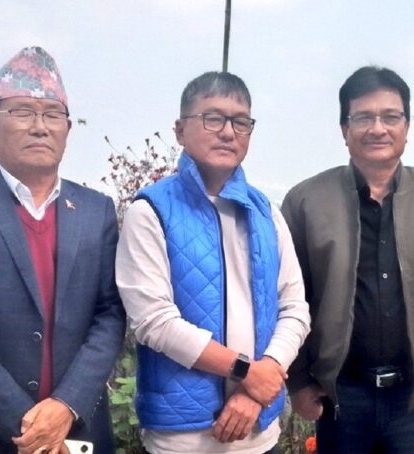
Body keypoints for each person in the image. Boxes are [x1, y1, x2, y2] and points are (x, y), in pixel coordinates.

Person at [281, 66, 414, 453]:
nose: (378, 128)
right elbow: (291, 299)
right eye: (363, 117)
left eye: (390, 116)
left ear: (407, 126)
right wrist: (299, 381)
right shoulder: (306, 202)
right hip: (340, 397)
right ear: (344, 129)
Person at [0, 46, 127, 453]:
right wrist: (29, 427)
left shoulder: (96, 210)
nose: (40, 127)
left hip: (76, 433)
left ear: (67, 130)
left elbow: (110, 314)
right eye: (22, 112)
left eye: (53, 115)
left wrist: (65, 406)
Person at [115, 71, 310, 453]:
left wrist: (260, 383)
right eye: (213, 118)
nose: (227, 132)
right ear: (180, 130)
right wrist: (246, 372)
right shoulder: (150, 211)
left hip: (260, 433)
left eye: (240, 122)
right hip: (182, 439)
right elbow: (155, 321)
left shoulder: (266, 213)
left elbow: (294, 308)